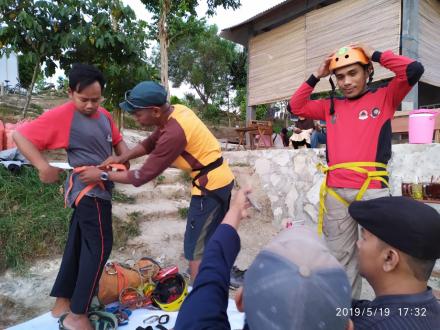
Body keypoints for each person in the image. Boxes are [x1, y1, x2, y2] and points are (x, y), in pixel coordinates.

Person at [289, 43, 424, 298]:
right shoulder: (331, 105)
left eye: (353, 73)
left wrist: (375, 54)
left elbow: (413, 69)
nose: (346, 81)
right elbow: (296, 107)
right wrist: (316, 75)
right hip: (336, 193)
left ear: (367, 72)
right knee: (340, 259)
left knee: (384, 261)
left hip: (372, 191)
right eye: (340, 76)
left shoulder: (385, 95)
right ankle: (346, 314)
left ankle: (389, 313)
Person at [78, 81, 235, 282]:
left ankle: (200, 298)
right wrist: (121, 158)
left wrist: (101, 175)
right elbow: (150, 143)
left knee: (194, 248)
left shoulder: (174, 132)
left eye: (137, 113)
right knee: (211, 235)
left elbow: (142, 176)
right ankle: (216, 276)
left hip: (209, 187)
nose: (134, 117)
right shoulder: (176, 112)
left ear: (155, 110)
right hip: (220, 178)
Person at [13, 64, 128, 330]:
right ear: (70, 93)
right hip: (88, 192)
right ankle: (78, 314)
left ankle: (63, 303)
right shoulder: (64, 115)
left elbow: (121, 146)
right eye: (83, 99)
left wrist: (121, 160)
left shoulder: (106, 116)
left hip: (102, 186)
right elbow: (21, 135)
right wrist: (43, 166)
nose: (90, 105)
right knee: (100, 248)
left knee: (78, 244)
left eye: (95, 99)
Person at [175, 188, 353, 330]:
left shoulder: (196, 323)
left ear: (240, 299)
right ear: (348, 327)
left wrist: (235, 210)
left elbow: (213, 266)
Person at [348, 196, 440, 329]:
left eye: (364, 238)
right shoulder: (431, 311)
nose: (358, 244)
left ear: (389, 258)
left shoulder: (370, 326)